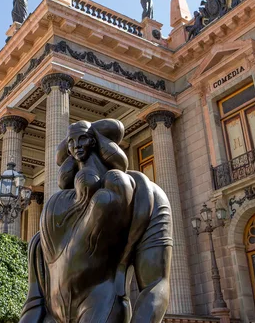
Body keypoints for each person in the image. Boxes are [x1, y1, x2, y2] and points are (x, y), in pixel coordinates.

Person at [20, 119, 172, 323]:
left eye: (82, 139)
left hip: (100, 308)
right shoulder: (53, 208)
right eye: (71, 142)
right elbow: (35, 300)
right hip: (66, 314)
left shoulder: (140, 193)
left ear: (94, 141)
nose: (76, 146)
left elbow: (155, 284)